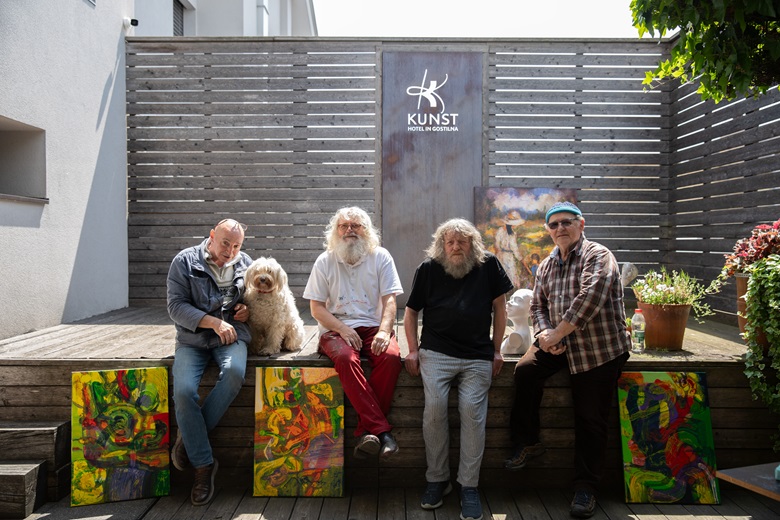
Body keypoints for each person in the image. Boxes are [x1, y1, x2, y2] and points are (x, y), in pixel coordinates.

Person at [505, 202, 630, 519]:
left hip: (598, 348)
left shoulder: (598, 255)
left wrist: (557, 333)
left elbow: (591, 297)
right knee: (525, 371)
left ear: (581, 224)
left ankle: (586, 488)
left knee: (590, 417)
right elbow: (537, 306)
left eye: (567, 222)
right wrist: (544, 334)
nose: (560, 228)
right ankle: (528, 442)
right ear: (548, 230)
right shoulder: (547, 265)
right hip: (557, 341)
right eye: (554, 224)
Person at [404, 218, 513, 520]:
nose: (455, 247)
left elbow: (501, 307)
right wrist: (412, 350)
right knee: (434, 409)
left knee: (471, 412)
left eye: (462, 241)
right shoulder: (428, 268)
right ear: (441, 245)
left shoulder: (488, 265)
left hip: (477, 355)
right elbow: (410, 312)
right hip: (436, 353)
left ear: (472, 244)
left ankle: (469, 486)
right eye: (450, 242)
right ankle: (437, 480)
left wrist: (497, 350)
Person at [303, 206, 403, 461]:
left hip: (373, 327)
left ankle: (367, 431)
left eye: (356, 225)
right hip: (336, 328)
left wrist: (384, 331)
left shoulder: (381, 257)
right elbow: (316, 308)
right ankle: (383, 433)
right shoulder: (324, 260)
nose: (350, 230)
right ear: (335, 231)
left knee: (391, 357)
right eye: (344, 226)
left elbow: (390, 301)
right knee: (346, 359)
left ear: (366, 230)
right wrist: (342, 328)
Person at [166, 218, 252, 506]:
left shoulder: (246, 263)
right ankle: (203, 465)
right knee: (183, 392)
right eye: (225, 243)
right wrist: (213, 322)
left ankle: (189, 439)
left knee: (234, 373)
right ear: (212, 235)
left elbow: (255, 299)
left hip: (232, 336)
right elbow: (176, 306)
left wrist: (246, 310)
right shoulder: (184, 261)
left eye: (236, 246)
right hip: (192, 339)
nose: (230, 252)